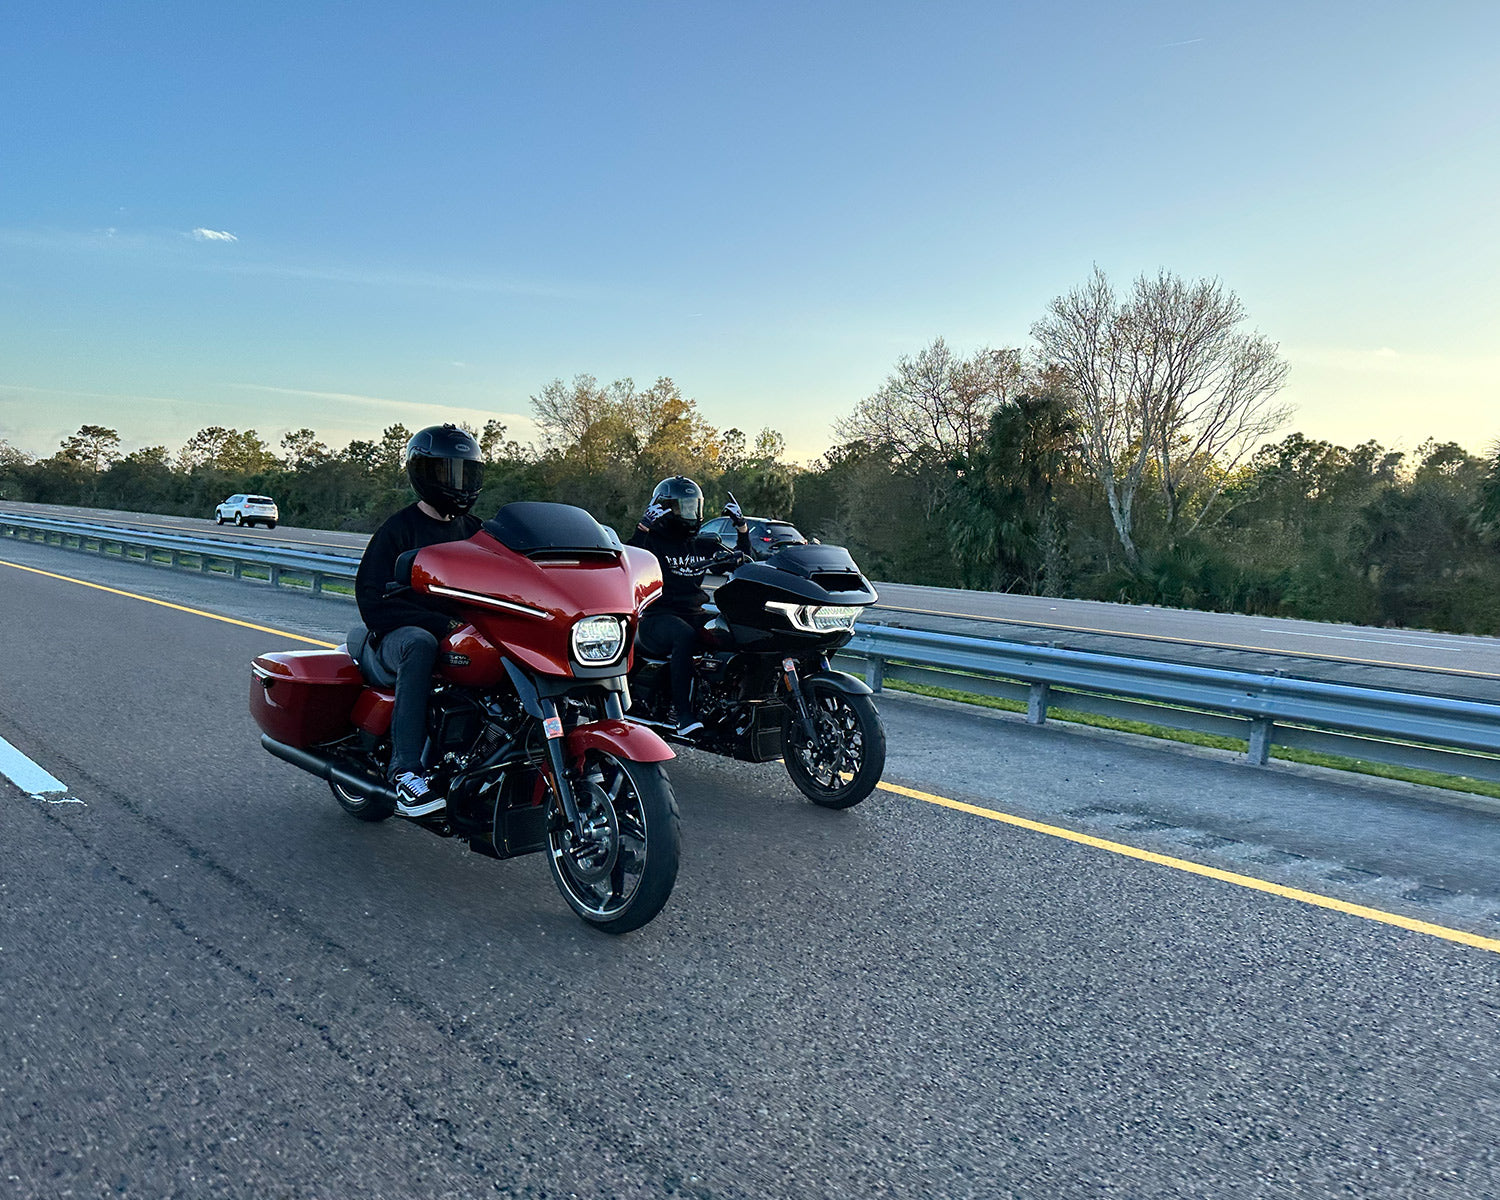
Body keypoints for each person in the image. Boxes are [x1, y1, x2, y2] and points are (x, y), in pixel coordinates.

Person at [354, 424, 484, 817]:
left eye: (465, 472)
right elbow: (371, 599)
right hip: (395, 636)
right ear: (424, 474)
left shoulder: (476, 531)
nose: (458, 482)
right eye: (448, 472)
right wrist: (438, 625)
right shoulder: (399, 529)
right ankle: (406, 771)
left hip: (458, 631)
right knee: (421, 644)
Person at [628, 476, 750, 736]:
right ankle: (684, 715)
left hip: (693, 613)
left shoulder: (702, 543)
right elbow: (629, 561)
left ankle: (728, 708)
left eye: (693, 506)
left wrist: (742, 529)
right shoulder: (652, 542)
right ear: (664, 508)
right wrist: (642, 528)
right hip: (656, 616)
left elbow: (742, 562)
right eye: (683, 506)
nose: (690, 513)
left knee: (731, 632)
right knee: (683, 634)